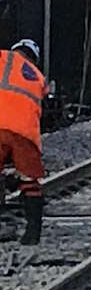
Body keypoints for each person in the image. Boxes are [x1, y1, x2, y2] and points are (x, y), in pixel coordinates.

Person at [0, 40, 48, 244]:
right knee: (30, 182)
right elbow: (45, 99)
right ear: (34, 59)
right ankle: (32, 233)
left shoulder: (2, 57)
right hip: (25, 132)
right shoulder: (38, 76)